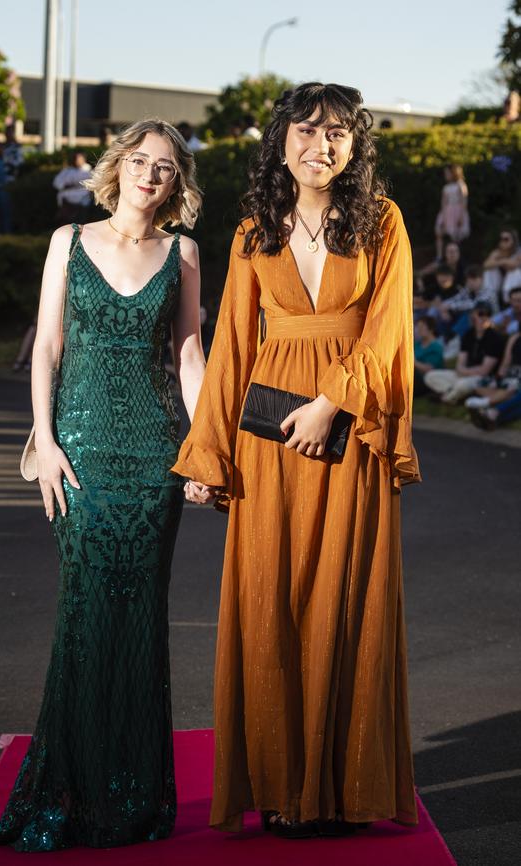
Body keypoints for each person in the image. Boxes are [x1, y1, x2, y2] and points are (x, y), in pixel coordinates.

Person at [173, 82, 420, 838]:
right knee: (268, 606)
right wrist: (207, 454)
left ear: (355, 147)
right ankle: (281, 789)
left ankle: (342, 791)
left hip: (346, 432)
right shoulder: (252, 233)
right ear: (281, 141)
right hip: (267, 440)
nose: (322, 145)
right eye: (307, 131)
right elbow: (229, 353)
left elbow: (387, 329)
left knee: (347, 605)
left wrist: (333, 402)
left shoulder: (384, 222)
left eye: (338, 134)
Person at [0, 118, 205, 852]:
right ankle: (71, 789)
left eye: (165, 167)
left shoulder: (184, 253)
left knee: (141, 618)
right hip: (77, 454)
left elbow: (187, 358)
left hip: (153, 460)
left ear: (178, 183)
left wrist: (203, 453)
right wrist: (45, 442)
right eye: (140, 160)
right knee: (84, 611)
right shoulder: (68, 242)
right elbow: (47, 345)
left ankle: (134, 797)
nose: (150, 173)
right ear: (118, 166)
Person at [424, 301, 506, 403]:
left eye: (487, 314)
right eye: (479, 314)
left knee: (462, 384)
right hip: (464, 375)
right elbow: (460, 363)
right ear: (473, 315)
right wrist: (463, 371)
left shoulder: (495, 338)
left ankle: (446, 398)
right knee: (430, 376)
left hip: (482, 379)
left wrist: (464, 371)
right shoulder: (468, 335)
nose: (482, 318)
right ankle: (456, 394)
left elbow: (484, 371)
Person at [467, 332, 521, 429]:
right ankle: (494, 416)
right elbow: (506, 362)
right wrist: (499, 377)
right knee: (479, 383)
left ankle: (493, 411)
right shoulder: (515, 337)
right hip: (513, 375)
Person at [434, 165, 469, 258]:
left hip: (457, 212)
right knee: (439, 231)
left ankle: (456, 256)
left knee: (455, 236)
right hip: (447, 212)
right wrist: (443, 216)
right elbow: (444, 202)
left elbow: (463, 201)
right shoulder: (446, 187)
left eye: (447, 173)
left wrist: (461, 216)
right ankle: (440, 255)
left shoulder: (460, 185)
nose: (446, 175)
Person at [482, 228, 521, 307]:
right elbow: (486, 265)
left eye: (506, 239)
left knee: (514, 272)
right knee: (489, 272)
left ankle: (508, 302)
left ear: (513, 240)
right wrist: (503, 261)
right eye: (501, 239)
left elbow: (513, 265)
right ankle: (490, 300)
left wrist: (500, 261)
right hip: (500, 283)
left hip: (515, 285)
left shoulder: (518, 251)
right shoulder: (497, 252)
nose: (503, 241)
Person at [52, 151, 93, 224]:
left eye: (80, 159)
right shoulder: (67, 171)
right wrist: (65, 186)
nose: (78, 161)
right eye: (76, 159)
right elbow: (57, 182)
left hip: (82, 199)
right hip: (67, 199)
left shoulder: (88, 171)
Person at [413, 315, 444, 396]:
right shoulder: (417, 345)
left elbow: (429, 369)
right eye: (418, 327)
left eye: (422, 327)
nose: (419, 330)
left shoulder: (436, 347)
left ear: (431, 329)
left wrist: (413, 362)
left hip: (427, 380)